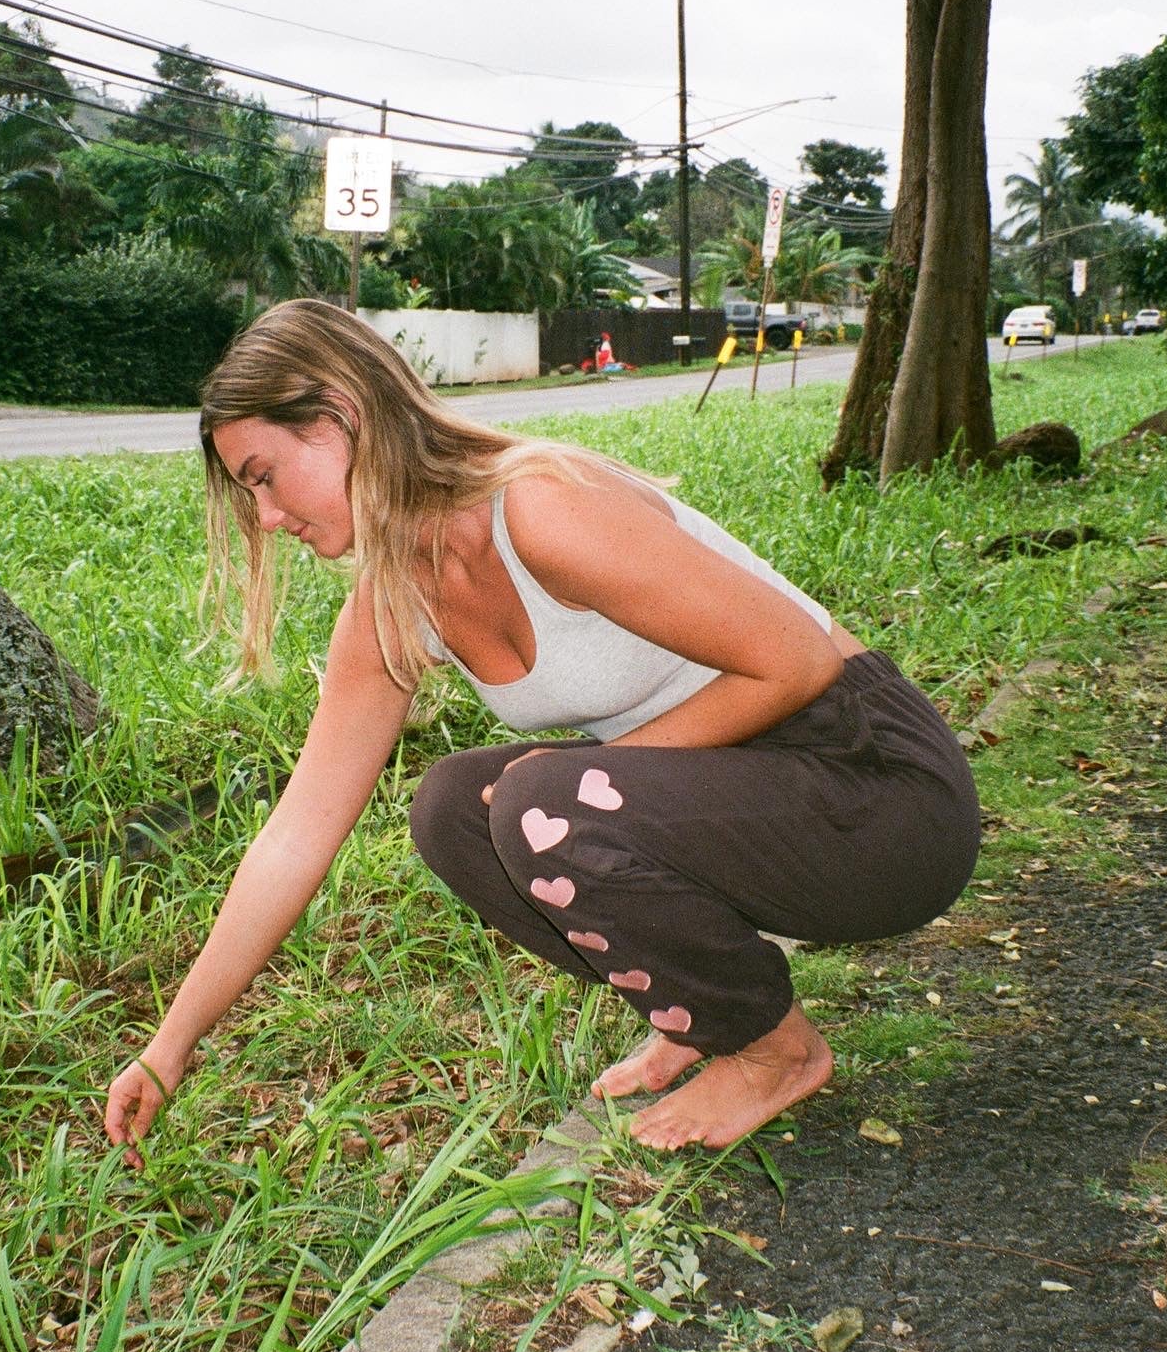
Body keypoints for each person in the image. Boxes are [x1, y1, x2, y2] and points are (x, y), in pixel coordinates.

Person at [103, 300, 980, 1166]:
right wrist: (168, 1046)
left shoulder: (537, 508)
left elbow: (797, 664)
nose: (265, 515)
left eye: (263, 474)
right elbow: (297, 835)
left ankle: (775, 1053)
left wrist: (572, 786)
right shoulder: (389, 608)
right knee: (452, 805)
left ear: (339, 417)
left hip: (877, 791)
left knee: (535, 802)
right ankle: (707, 1008)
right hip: (753, 798)